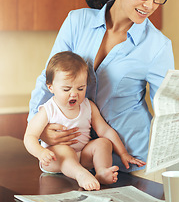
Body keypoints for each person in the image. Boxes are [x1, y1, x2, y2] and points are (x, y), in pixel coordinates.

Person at [28, 0, 179, 178]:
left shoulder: (157, 46)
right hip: (68, 153)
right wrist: (38, 128)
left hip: (130, 161)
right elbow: (47, 79)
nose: (150, 5)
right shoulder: (77, 22)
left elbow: (170, 110)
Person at [24, 51, 145, 191]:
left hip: (82, 157)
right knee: (65, 150)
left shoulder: (88, 106)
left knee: (103, 142)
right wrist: (40, 153)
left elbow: (105, 130)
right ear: (51, 87)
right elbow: (30, 136)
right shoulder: (48, 110)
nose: (74, 93)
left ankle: (101, 172)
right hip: (55, 160)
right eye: (66, 89)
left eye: (81, 88)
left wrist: (123, 153)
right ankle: (80, 174)